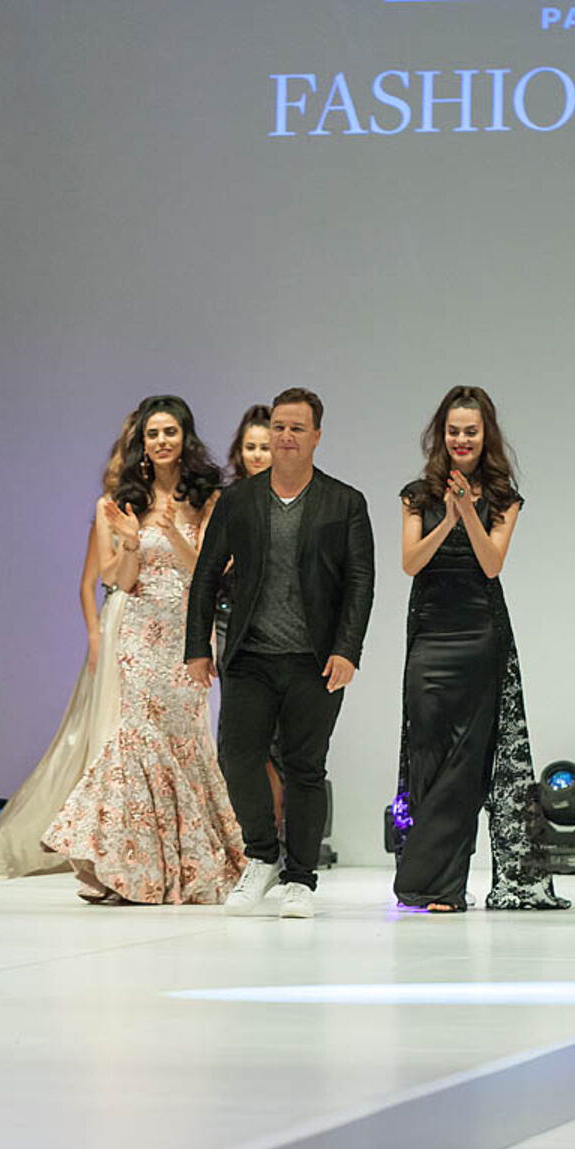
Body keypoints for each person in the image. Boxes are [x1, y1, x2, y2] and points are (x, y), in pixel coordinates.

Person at [42, 394, 246, 904]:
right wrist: (132, 541)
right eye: (153, 434)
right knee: (135, 740)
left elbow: (210, 570)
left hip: (187, 631)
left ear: (185, 437)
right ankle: (125, 868)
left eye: (170, 432)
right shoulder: (120, 501)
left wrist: (172, 531)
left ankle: (181, 867)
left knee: (183, 742)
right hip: (136, 634)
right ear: (141, 442)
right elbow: (119, 580)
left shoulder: (207, 496)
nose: (161, 441)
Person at [185, 387, 374, 920]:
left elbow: (360, 583)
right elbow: (206, 574)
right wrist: (197, 647)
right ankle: (263, 855)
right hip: (249, 654)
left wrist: (348, 650)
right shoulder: (239, 500)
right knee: (237, 756)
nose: (286, 437)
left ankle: (301, 878)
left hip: (315, 659)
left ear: (317, 436)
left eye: (297, 428)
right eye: (279, 427)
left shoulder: (344, 502)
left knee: (305, 766)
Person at [392, 386, 569, 911]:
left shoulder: (503, 497)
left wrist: (469, 512)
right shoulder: (417, 495)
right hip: (430, 637)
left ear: (485, 434)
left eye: (470, 431)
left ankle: (447, 887)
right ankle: (423, 880)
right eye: (453, 431)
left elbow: (492, 564)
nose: (461, 440)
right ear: (441, 435)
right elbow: (410, 563)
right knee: (427, 754)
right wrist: (446, 518)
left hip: (479, 636)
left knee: (468, 763)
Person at [0, 409, 138, 882]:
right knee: (96, 737)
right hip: (116, 630)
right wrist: (96, 636)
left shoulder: (170, 504)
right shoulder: (110, 507)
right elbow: (91, 582)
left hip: (153, 633)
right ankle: (98, 841)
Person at [216, 404, 284, 831]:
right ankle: (251, 838)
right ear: (239, 452)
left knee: (279, 741)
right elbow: (211, 565)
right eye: (250, 447)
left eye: (265, 446)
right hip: (232, 623)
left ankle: (277, 834)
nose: (258, 455)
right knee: (241, 738)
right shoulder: (228, 501)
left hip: (284, 627)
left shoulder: (297, 497)